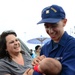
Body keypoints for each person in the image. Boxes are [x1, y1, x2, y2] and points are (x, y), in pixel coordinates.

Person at [24, 4, 75, 75]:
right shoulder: (45, 48)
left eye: (54, 26)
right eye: (46, 26)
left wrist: (33, 73)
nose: (50, 31)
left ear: (64, 22)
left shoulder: (72, 45)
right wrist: (37, 63)